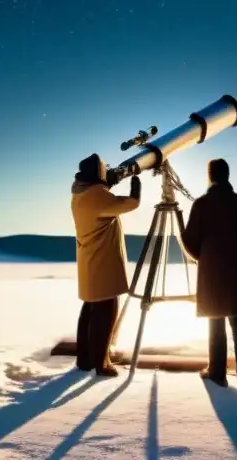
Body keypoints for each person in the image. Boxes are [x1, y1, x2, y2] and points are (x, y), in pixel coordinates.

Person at [178, 158, 237, 387]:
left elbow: (190, 239)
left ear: (210, 176)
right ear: (227, 175)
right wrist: (235, 245)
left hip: (211, 269)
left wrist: (202, 256)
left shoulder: (202, 204)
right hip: (235, 265)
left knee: (215, 320)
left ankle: (217, 371)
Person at [71, 153, 141, 377]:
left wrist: (106, 183)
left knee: (90, 309)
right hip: (103, 263)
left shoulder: (81, 193)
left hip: (90, 262)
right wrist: (135, 185)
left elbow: (100, 195)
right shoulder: (98, 197)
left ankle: (85, 360)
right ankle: (102, 363)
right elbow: (130, 204)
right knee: (106, 311)